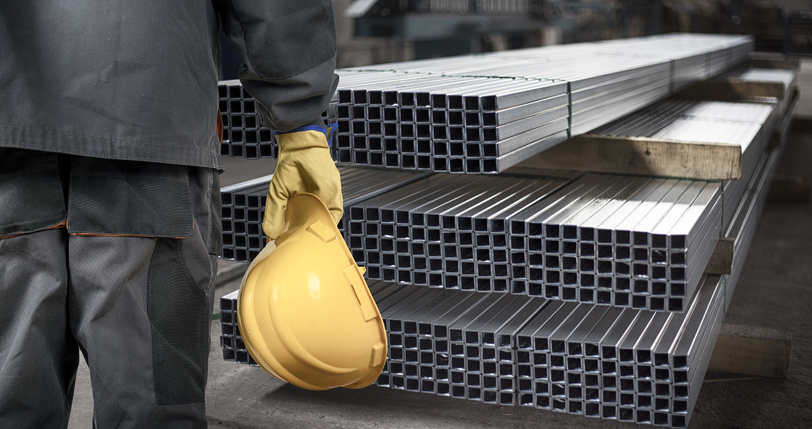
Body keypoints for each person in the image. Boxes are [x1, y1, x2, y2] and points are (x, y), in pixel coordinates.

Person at [0, 1, 342, 427]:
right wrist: (301, 122)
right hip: (149, 120)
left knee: (8, 391)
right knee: (153, 397)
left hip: (11, 124)